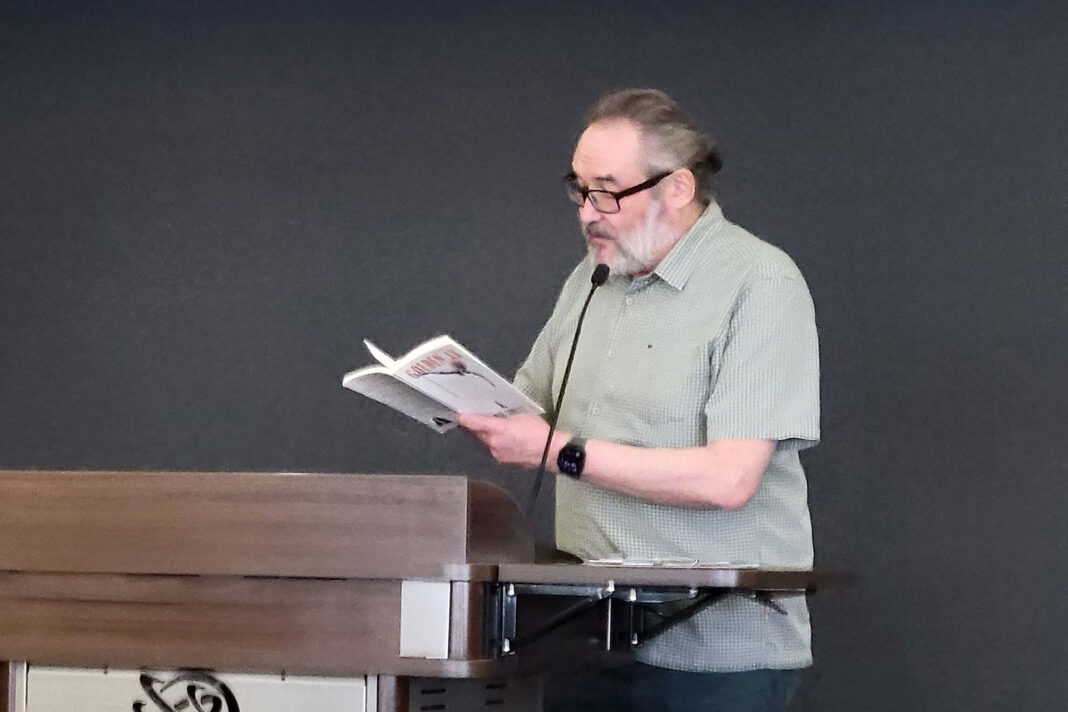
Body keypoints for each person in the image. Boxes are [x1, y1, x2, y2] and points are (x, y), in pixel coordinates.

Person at [459, 88, 819, 712]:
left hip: (714, 658)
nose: (586, 212)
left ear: (676, 189)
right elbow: (532, 405)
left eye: (606, 190)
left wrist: (558, 453)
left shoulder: (760, 284)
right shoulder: (590, 278)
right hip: (583, 638)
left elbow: (729, 479)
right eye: (578, 188)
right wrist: (451, 392)